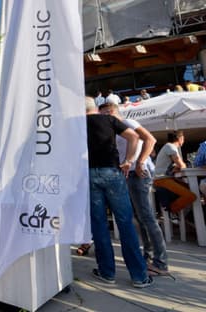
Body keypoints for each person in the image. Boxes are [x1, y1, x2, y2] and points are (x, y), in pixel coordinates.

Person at [85, 96, 153, 288]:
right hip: (112, 172)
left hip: (88, 174)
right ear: (96, 109)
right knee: (125, 222)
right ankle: (139, 276)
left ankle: (107, 273)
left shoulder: (76, 124)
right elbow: (134, 137)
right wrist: (129, 161)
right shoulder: (109, 119)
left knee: (98, 224)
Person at [99, 100, 169, 276]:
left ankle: (161, 263)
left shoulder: (127, 123)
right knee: (139, 217)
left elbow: (150, 139)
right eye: (103, 115)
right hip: (127, 175)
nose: (105, 117)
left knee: (147, 216)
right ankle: (147, 256)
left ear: (117, 112)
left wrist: (141, 161)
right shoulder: (113, 131)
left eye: (108, 113)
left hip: (139, 174)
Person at [153, 131, 196, 214]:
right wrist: (180, 166)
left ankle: (182, 213)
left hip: (164, 178)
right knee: (191, 196)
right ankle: (172, 211)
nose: (183, 140)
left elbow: (175, 165)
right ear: (180, 139)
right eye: (183, 138)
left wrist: (175, 168)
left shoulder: (168, 147)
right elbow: (181, 165)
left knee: (191, 189)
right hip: (162, 180)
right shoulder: (171, 147)